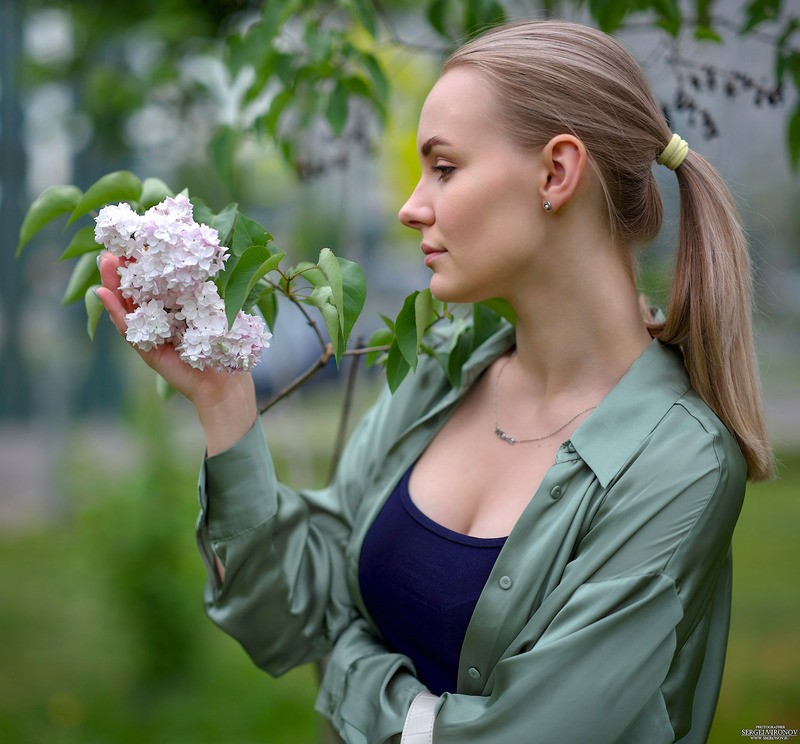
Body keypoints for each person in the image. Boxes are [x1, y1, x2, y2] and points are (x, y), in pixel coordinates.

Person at [97, 19, 774, 744]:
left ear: (556, 173)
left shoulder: (681, 463)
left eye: (444, 168)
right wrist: (226, 399)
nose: (410, 205)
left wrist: (350, 667)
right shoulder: (442, 373)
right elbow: (289, 616)